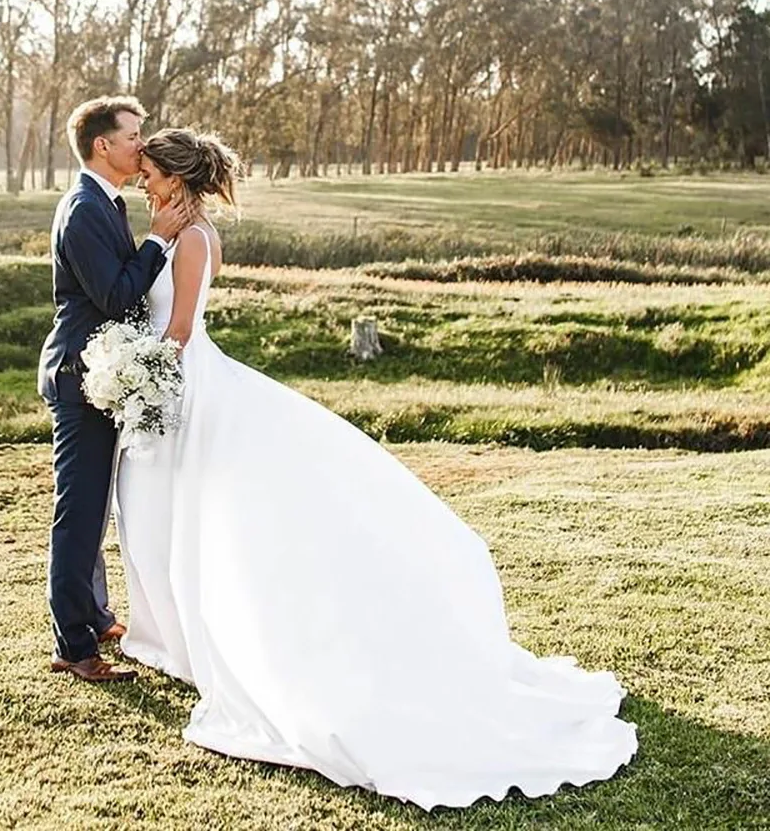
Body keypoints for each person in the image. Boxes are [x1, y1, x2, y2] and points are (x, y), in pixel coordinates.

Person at [114, 126, 638, 811]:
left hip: (186, 392)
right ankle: (170, 636)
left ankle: (194, 643)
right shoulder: (176, 229)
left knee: (200, 521)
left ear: (176, 179)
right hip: (180, 390)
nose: (141, 181)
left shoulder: (191, 239)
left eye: (150, 172)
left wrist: (136, 377)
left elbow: (179, 332)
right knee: (177, 520)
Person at [37, 96, 189, 683]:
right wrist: (155, 243)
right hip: (82, 379)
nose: (141, 145)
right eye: (133, 135)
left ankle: (96, 615)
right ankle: (74, 645)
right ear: (104, 144)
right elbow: (115, 296)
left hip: (103, 373)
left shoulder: (104, 202)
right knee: (78, 512)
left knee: (94, 507)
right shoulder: (82, 210)